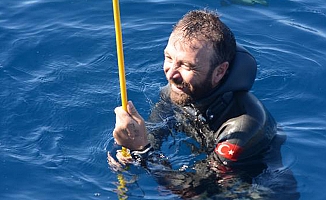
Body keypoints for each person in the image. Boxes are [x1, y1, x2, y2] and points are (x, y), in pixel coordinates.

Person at [109, 9, 299, 199]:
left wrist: (143, 151)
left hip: (259, 189)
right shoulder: (179, 89)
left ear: (219, 72)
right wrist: (129, 152)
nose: (171, 74)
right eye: (169, 58)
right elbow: (154, 133)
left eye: (187, 66)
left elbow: (200, 191)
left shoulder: (241, 127)